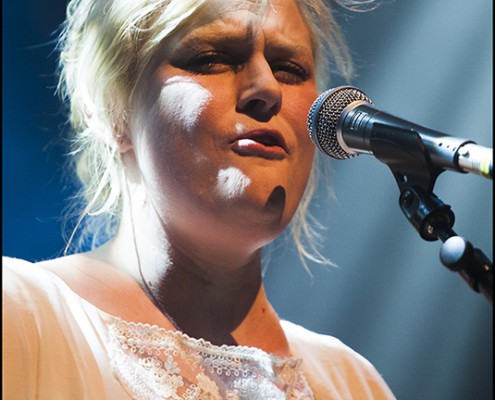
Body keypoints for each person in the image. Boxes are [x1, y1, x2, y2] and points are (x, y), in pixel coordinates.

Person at [3, 0, 396, 398]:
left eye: (289, 69)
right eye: (212, 59)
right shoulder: (21, 313)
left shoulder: (351, 383)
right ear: (112, 111)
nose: (267, 89)